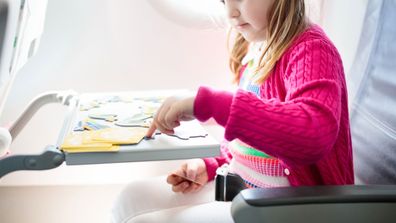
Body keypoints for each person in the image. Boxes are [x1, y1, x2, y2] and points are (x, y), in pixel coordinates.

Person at [111, 0, 354, 222]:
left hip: (299, 206)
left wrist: (209, 103)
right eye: (224, 0)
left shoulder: (312, 49)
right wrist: (210, 165)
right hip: (249, 189)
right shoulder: (255, 50)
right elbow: (254, 142)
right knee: (131, 197)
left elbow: (312, 133)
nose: (230, 12)